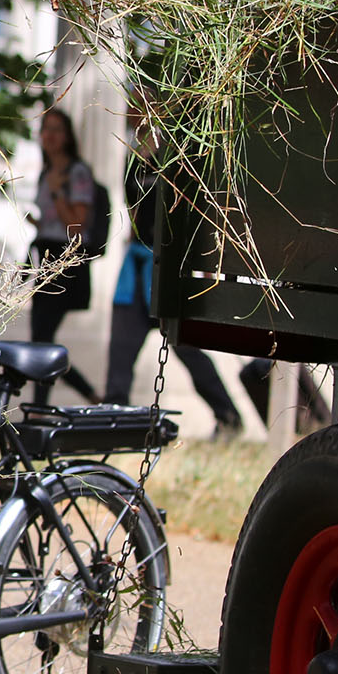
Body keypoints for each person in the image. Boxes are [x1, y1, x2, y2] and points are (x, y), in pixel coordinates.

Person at [101, 107, 245, 435]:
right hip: (136, 269)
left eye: (144, 107)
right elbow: (133, 209)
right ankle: (111, 420)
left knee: (190, 351)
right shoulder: (134, 160)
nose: (135, 114)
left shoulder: (179, 157)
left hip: (171, 270)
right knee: (120, 352)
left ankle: (228, 417)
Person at [25, 107, 102, 405]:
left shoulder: (77, 172)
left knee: (42, 341)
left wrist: (57, 194)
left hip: (65, 261)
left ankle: (46, 405)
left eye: (57, 129)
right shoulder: (46, 172)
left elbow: (77, 224)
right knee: (41, 340)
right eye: (46, 129)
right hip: (46, 256)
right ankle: (82, 395)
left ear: (68, 136)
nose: (50, 136)